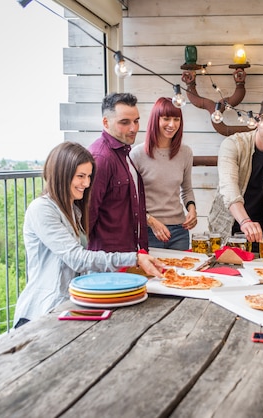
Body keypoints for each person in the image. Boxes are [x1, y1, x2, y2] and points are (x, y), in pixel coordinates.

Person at [14, 142, 164, 328]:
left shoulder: (73, 210)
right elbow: (77, 259)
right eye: (80, 176)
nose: (86, 183)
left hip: (68, 306)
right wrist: (134, 259)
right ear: (61, 174)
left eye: (89, 177)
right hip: (40, 312)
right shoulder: (42, 209)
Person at [208, 95, 263, 250]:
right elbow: (229, 189)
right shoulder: (232, 145)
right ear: (257, 121)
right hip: (228, 227)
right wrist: (245, 222)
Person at [130, 97, 197, 250]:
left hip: (180, 231)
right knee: (152, 274)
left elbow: (186, 189)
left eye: (176, 119)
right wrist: (151, 221)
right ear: (155, 120)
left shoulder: (185, 152)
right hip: (149, 231)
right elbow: (131, 199)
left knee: (181, 273)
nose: (172, 124)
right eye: (166, 118)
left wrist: (192, 209)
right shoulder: (137, 154)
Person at [87, 93, 148, 252]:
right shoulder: (101, 158)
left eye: (136, 121)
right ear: (105, 122)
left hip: (128, 254)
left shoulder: (123, 152)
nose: (134, 128)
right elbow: (87, 215)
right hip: (107, 262)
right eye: (125, 122)